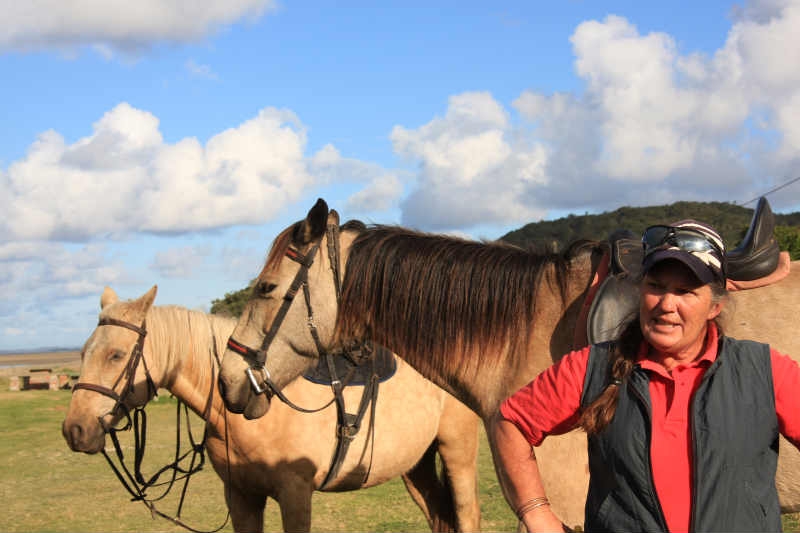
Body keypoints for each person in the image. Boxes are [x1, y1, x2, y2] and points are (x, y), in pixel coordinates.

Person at [490, 219, 800, 532]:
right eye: (656, 286)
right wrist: (536, 512)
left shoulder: (763, 370)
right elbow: (510, 423)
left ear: (714, 307)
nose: (666, 304)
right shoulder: (593, 367)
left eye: (685, 291)